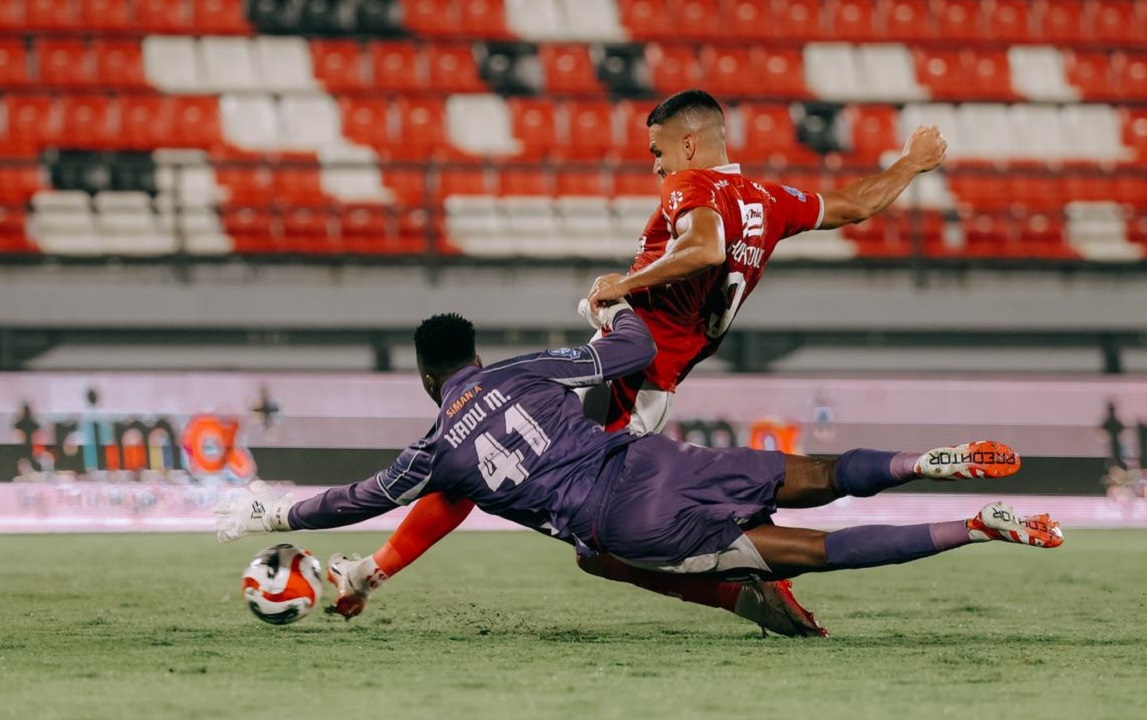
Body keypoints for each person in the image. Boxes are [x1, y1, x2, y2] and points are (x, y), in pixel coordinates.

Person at [303, 89, 953, 635]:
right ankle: (756, 570)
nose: (656, 168)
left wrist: (624, 286)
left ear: (690, 145)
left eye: (658, 152)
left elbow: (701, 249)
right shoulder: (768, 199)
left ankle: (746, 589)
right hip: (649, 372)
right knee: (506, 470)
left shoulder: (690, 187)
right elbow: (856, 205)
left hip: (635, 374)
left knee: (556, 513)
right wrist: (908, 165)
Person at [216, 304, 1063, 634]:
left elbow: (362, 498)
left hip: (626, 525)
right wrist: (611, 309)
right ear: (473, 354)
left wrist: (275, 515)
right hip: (655, 460)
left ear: (427, 378)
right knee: (820, 471)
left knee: (811, 551)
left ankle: (976, 526)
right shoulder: (521, 372)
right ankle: (928, 459)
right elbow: (627, 351)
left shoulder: (437, 450)